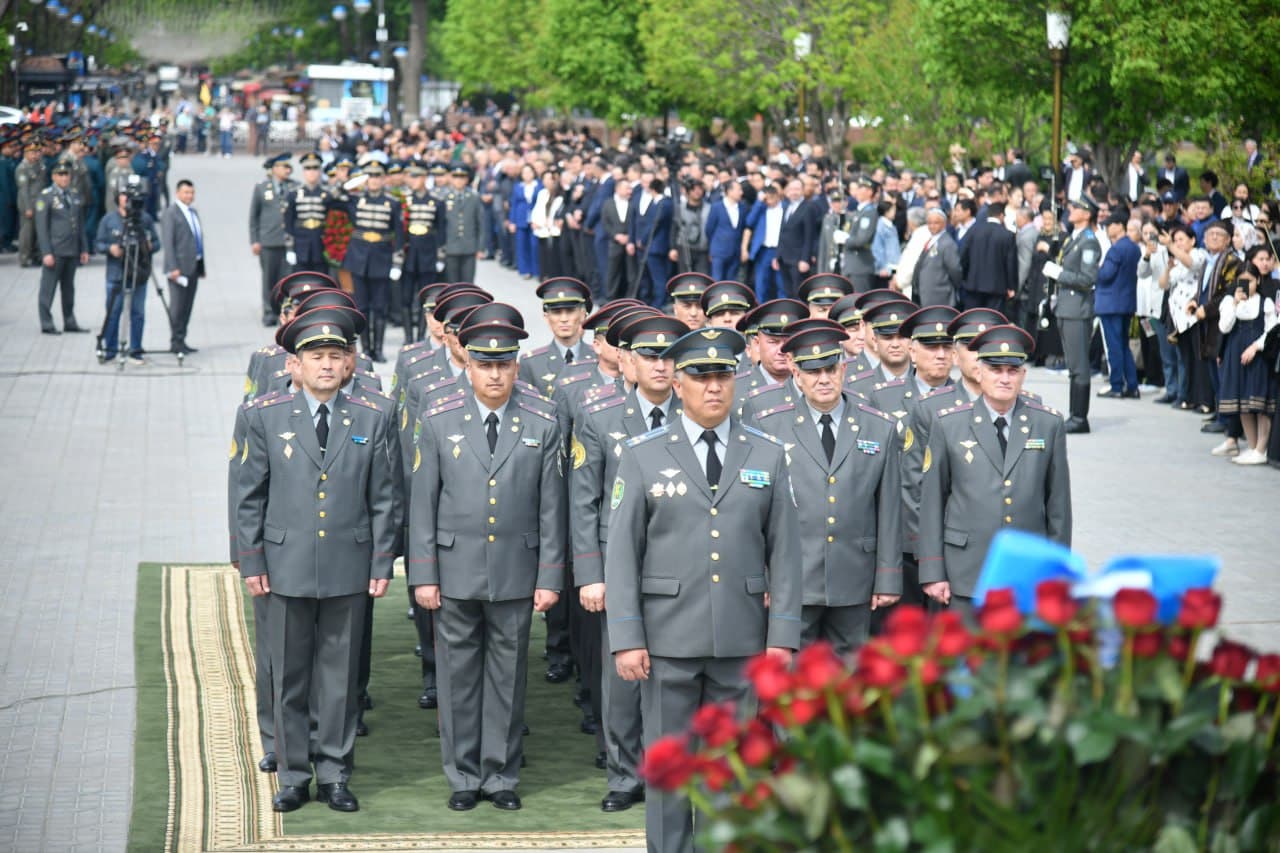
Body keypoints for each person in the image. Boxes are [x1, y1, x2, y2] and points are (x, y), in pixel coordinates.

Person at [605, 326, 801, 853]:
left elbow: (785, 552)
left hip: (741, 639)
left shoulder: (766, 453)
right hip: (667, 639)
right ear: (679, 382)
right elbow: (622, 551)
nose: (713, 386)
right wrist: (627, 636)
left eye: (723, 375)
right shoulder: (642, 454)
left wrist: (782, 637)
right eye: (700, 375)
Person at [234, 306, 395, 814]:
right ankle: (293, 773)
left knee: (340, 678)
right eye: (315, 357)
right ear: (293, 366)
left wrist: (381, 562)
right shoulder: (263, 414)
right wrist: (252, 561)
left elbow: (385, 496)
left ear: (350, 365)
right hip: (286, 567)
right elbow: (247, 495)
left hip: (349, 564)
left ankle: (334, 772)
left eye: (335, 356)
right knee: (290, 675)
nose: (326, 365)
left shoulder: (374, 414)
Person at [408, 310, 565, 813]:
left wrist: (550, 576)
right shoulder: (438, 417)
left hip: (517, 572)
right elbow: (423, 506)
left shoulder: (542, 419)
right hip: (454, 571)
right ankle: (462, 773)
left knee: (507, 673)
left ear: (516, 367)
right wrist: (424, 574)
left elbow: (551, 507)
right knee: (457, 675)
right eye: (484, 364)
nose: (495, 374)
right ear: (468, 366)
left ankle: (500, 773)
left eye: (504, 364)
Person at [571, 313, 689, 813]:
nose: (660, 367)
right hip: (619, 564)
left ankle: (669, 770)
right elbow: (584, 501)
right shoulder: (600, 415)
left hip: (679, 560)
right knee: (621, 673)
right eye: (650, 357)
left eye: (668, 357)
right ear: (627, 362)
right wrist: (591, 575)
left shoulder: (696, 413)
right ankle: (623, 774)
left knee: (675, 673)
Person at [752, 321, 901, 653]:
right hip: (793, 576)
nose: (823, 379)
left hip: (855, 576)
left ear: (843, 368)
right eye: (812, 370)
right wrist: (761, 575)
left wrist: (888, 576)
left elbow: (889, 507)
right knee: (793, 681)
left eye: (831, 368)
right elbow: (757, 510)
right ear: (796, 374)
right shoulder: (769, 425)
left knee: (851, 680)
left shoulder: (878, 426)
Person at [917, 325, 1072, 612]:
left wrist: (1059, 572)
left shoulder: (1047, 424)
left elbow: (1058, 507)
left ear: (1023, 375)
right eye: (995, 369)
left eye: (1012, 371)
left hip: (1026, 571)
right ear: (979, 373)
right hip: (965, 570)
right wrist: (932, 571)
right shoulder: (948, 424)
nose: (1004, 378)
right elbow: (932, 502)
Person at [332, 161, 402, 362]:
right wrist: (349, 183)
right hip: (359, 258)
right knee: (361, 307)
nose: (374, 180)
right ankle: (365, 349)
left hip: (381, 258)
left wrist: (397, 263)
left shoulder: (392, 202)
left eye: (377, 176)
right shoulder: (355, 199)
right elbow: (332, 198)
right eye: (370, 176)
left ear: (383, 179)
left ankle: (378, 349)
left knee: (380, 307)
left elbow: (398, 234)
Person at [1045, 197, 1102, 433]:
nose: (1072, 210)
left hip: (1078, 310)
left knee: (1079, 366)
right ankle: (1074, 414)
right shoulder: (1074, 238)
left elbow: (1088, 279)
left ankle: (1080, 418)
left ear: (1087, 214)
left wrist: (1059, 274)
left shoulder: (1088, 242)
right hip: (1067, 308)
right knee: (1073, 365)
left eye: (1077, 208)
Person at [1215, 264, 1275, 465]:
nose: (1246, 285)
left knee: (1259, 403)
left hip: (1257, 355)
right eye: (1242, 280)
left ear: (1257, 281)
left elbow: (1271, 330)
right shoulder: (1229, 302)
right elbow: (1224, 326)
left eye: (1250, 280)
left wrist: (1255, 347)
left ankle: (1261, 448)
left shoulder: (1265, 303)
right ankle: (1251, 446)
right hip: (1235, 354)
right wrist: (1234, 303)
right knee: (1242, 403)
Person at [95, 188, 160, 363]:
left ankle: (136, 349)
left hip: (139, 273)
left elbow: (157, 242)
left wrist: (149, 246)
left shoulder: (144, 219)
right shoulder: (108, 220)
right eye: (124, 196)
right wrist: (110, 248)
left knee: (138, 312)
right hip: (116, 273)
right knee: (113, 311)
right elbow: (98, 243)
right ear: (118, 199)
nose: (128, 200)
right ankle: (110, 349)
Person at [34, 162, 90, 335]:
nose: (64, 178)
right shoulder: (46, 197)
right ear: (53, 177)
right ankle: (46, 322)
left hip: (71, 250)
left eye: (66, 175)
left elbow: (80, 224)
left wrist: (84, 248)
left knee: (69, 288)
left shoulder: (74, 195)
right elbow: (41, 228)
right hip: (55, 251)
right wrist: (46, 252)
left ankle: (69, 320)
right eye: (60, 175)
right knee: (48, 288)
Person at [518, 277, 595, 396]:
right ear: (546, 317)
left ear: (583, 314)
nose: (564, 319)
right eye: (556, 312)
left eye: (570, 311)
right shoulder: (531, 363)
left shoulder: (600, 358)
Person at [1094, 212, 1142, 399]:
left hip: (1110, 303)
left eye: (1109, 225)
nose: (1107, 229)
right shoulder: (1134, 247)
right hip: (1126, 301)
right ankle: (1132, 385)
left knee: (1115, 346)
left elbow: (1106, 275)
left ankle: (1116, 386)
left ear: (1118, 225)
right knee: (1123, 345)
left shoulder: (1116, 249)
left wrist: (1097, 270)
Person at [400, 164, 446, 343]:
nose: (414, 181)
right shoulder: (405, 200)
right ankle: (408, 336)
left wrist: (440, 254)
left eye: (418, 177)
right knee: (405, 297)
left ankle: (420, 336)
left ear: (425, 178)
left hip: (427, 253)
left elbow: (441, 229)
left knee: (425, 299)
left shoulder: (436, 200)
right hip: (408, 253)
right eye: (412, 177)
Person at [250, 153, 297, 327]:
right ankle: (269, 312)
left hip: (289, 242)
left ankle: (285, 312)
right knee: (269, 278)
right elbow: (254, 216)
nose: (287, 170)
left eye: (288, 167)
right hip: (268, 240)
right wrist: (255, 240)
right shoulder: (262, 188)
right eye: (283, 167)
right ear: (274, 169)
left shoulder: (294, 187)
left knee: (287, 279)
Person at [161, 179, 206, 355]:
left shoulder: (193, 212)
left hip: (193, 266)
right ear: (178, 193)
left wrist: (201, 265)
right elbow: (168, 242)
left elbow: (197, 240)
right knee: (177, 307)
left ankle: (182, 339)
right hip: (178, 269)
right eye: (186, 192)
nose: (189, 196)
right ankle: (175, 341)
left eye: (192, 192)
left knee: (187, 306)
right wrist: (173, 267)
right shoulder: (171, 213)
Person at [960, 201, 1018, 311]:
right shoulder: (1007, 235)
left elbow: (963, 255)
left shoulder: (974, 230)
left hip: (973, 284)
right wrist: (1011, 286)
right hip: (997, 287)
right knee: (993, 323)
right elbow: (1010, 263)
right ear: (1001, 215)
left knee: (972, 322)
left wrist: (965, 277)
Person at [284, 152, 330, 275]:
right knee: (301, 285)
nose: (312, 172)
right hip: (300, 246)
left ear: (320, 171)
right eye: (308, 168)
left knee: (321, 284)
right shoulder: (293, 193)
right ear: (303, 171)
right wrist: (290, 249)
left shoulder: (327, 193)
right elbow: (288, 222)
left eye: (315, 168)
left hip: (321, 246)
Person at [777, 177, 820, 298]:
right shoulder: (786, 207)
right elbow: (782, 232)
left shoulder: (808, 207)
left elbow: (810, 235)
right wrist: (777, 255)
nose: (794, 192)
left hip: (798, 259)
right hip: (784, 257)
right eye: (791, 189)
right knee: (788, 292)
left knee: (798, 293)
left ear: (802, 190)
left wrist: (805, 259)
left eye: (797, 189)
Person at [443, 164, 487, 284]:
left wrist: (480, 247)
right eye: (456, 177)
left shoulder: (474, 197)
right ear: (451, 178)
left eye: (462, 177)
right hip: (450, 246)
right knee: (451, 283)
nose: (459, 180)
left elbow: (481, 224)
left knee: (468, 282)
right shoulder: (444, 197)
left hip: (469, 246)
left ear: (467, 179)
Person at [911, 207, 963, 308]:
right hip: (925, 294)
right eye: (929, 223)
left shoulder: (947, 243)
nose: (932, 226)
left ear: (944, 224)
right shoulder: (931, 240)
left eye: (935, 223)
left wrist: (949, 287)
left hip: (940, 296)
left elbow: (955, 270)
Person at [841, 176, 879, 292]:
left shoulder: (869, 212)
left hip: (860, 266)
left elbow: (862, 239)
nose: (857, 191)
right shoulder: (860, 211)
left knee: (858, 303)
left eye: (861, 188)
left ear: (869, 192)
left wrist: (845, 240)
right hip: (852, 265)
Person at [705, 178, 745, 281]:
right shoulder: (716, 207)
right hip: (719, 251)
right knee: (717, 280)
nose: (741, 192)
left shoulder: (742, 207)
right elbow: (709, 229)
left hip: (735, 251)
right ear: (729, 191)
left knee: (731, 281)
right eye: (738, 190)